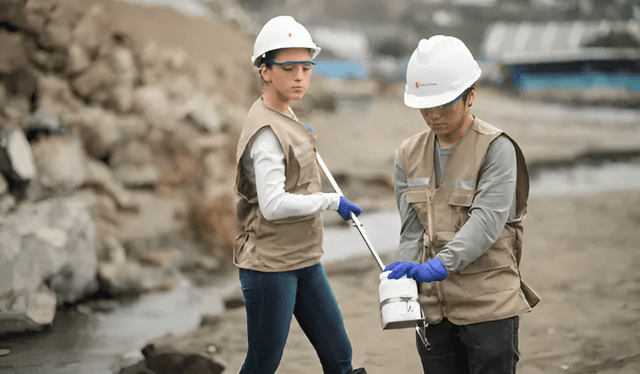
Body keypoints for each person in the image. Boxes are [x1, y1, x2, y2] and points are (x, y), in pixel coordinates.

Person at [383, 35, 540, 374]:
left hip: (488, 305)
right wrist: (406, 280)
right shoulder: (407, 155)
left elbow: (486, 223)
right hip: (435, 309)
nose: (434, 115)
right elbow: (411, 228)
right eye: (426, 106)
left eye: (444, 105)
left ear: (471, 95)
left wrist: (437, 266)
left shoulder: (497, 149)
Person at [233, 15, 367, 374]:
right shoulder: (265, 134)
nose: (299, 77)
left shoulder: (284, 114)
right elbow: (274, 206)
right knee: (262, 364)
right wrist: (331, 201)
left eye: (306, 68)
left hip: (305, 259)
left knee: (340, 357)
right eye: (289, 68)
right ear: (265, 70)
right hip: (270, 267)